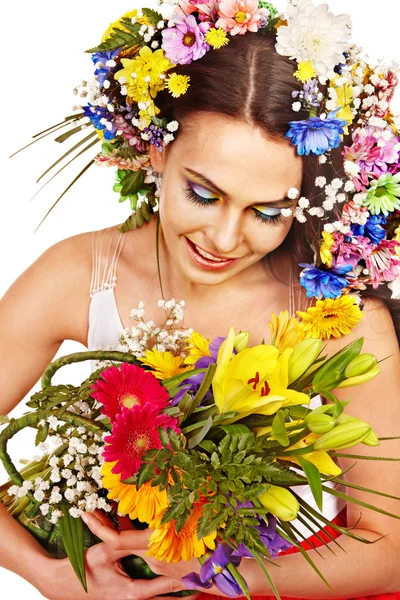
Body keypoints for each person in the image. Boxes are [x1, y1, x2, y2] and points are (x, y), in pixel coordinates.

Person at [0, 0, 400, 598]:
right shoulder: (82, 274)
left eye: (268, 212)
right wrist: (53, 573)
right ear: (159, 152)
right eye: (203, 194)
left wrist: (214, 574)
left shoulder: (339, 319)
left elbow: (389, 547)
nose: (224, 238)